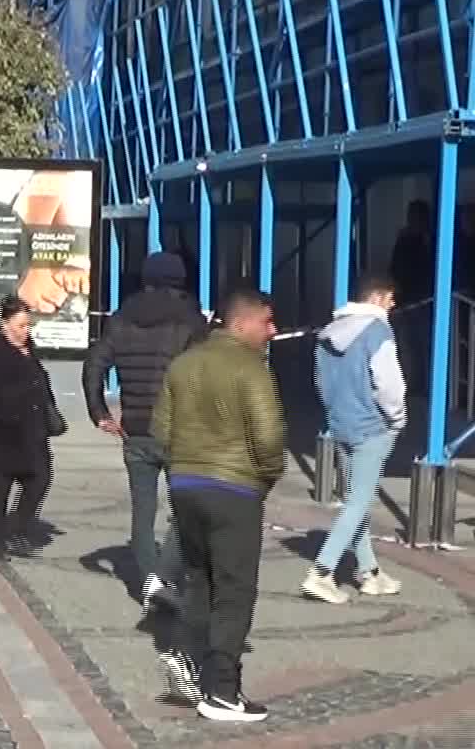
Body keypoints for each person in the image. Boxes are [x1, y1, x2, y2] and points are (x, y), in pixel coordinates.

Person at [155, 287, 284, 723]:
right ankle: (223, 693)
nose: (273, 330)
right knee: (234, 591)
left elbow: (161, 430)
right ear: (242, 322)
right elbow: (268, 436)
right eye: (267, 321)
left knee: (200, 581)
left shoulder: (182, 364)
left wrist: (183, 468)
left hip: (186, 484)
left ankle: (190, 665)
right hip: (234, 490)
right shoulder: (252, 369)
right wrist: (265, 476)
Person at [80, 250, 205, 611]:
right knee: (186, 510)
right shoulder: (190, 320)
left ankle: (149, 581)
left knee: (142, 512)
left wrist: (99, 412)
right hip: (180, 431)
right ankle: (165, 577)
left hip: (134, 429)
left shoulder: (121, 319)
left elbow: (95, 363)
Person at [302, 276, 407, 604]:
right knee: (359, 502)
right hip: (372, 427)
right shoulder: (378, 332)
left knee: (355, 499)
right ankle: (321, 571)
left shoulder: (328, 335)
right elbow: (390, 385)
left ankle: (369, 572)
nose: (393, 305)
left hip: (341, 424)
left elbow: (320, 382)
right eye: (391, 299)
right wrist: (398, 417)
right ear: (377, 297)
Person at [0, 294, 54, 561]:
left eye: (28, 326)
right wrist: (24, 393)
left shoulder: (27, 349)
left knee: (40, 478)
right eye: (20, 326)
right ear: (4, 324)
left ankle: (14, 527)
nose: (25, 332)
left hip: (29, 430)